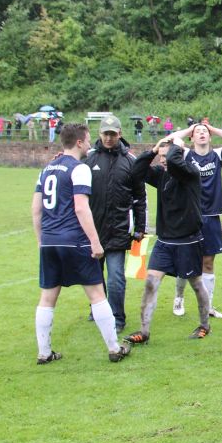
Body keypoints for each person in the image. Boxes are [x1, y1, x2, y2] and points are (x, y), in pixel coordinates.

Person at [31, 122, 132, 365]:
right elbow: (81, 207)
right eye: (87, 140)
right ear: (78, 142)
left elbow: (36, 209)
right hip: (74, 240)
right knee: (97, 294)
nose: (89, 144)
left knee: (47, 297)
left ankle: (44, 352)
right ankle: (114, 348)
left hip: (50, 241)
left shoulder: (46, 169)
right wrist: (95, 242)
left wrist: (41, 240)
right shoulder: (79, 168)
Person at [124, 132, 210, 345]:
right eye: (161, 156)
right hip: (164, 242)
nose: (163, 160)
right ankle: (144, 332)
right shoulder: (161, 174)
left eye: (166, 155)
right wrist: (153, 150)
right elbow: (136, 172)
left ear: (178, 154)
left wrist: (176, 146)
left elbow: (174, 160)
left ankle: (204, 325)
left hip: (188, 241)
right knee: (150, 283)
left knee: (196, 284)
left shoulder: (190, 172)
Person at [172, 121, 222, 321]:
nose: (202, 134)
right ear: (192, 138)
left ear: (210, 136)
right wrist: (190, 129)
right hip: (190, 216)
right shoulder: (186, 155)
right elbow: (171, 139)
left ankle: (208, 306)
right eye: (198, 132)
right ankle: (178, 298)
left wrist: (212, 129)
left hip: (211, 216)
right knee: (186, 262)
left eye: (205, 132)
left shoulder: (217, 155)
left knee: (208, 263)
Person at [85, 116, 146, 335]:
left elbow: (140, 197)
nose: (109, 138)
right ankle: (97, 309)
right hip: (93, 231)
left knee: (115, 278)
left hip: (119, 230)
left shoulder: (130, 160)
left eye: (113, 134)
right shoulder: (88, 159)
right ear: (99, 134)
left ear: (119, 133)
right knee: (94, 277)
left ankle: (117, 318)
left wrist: (140, 227)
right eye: (105, 134)